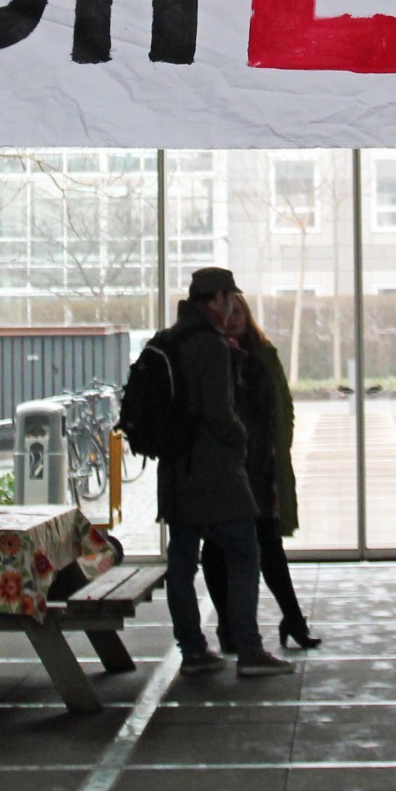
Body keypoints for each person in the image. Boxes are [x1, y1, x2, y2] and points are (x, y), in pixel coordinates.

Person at [157, 267, 296, 678]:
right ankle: (249, 650)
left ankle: (193, 651)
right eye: (228, 298)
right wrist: (241, 442)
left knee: (182, 563)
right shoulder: (212, 345)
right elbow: (220, 412)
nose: (231, 305)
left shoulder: (167, 340)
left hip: (176, 474)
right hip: (216, 475)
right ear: (217, 299)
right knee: (244, 552)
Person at [203, 291, 323, 650]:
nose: (234, 317)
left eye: (239, 310)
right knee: (221, 548)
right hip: (229, 469)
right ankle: (234, 626)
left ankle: (289, 619)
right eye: (228, 311)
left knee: (267, 544)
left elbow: (281, 405)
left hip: (263, 467)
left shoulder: (263, 354)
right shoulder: (214, 354)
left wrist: (277, 451)